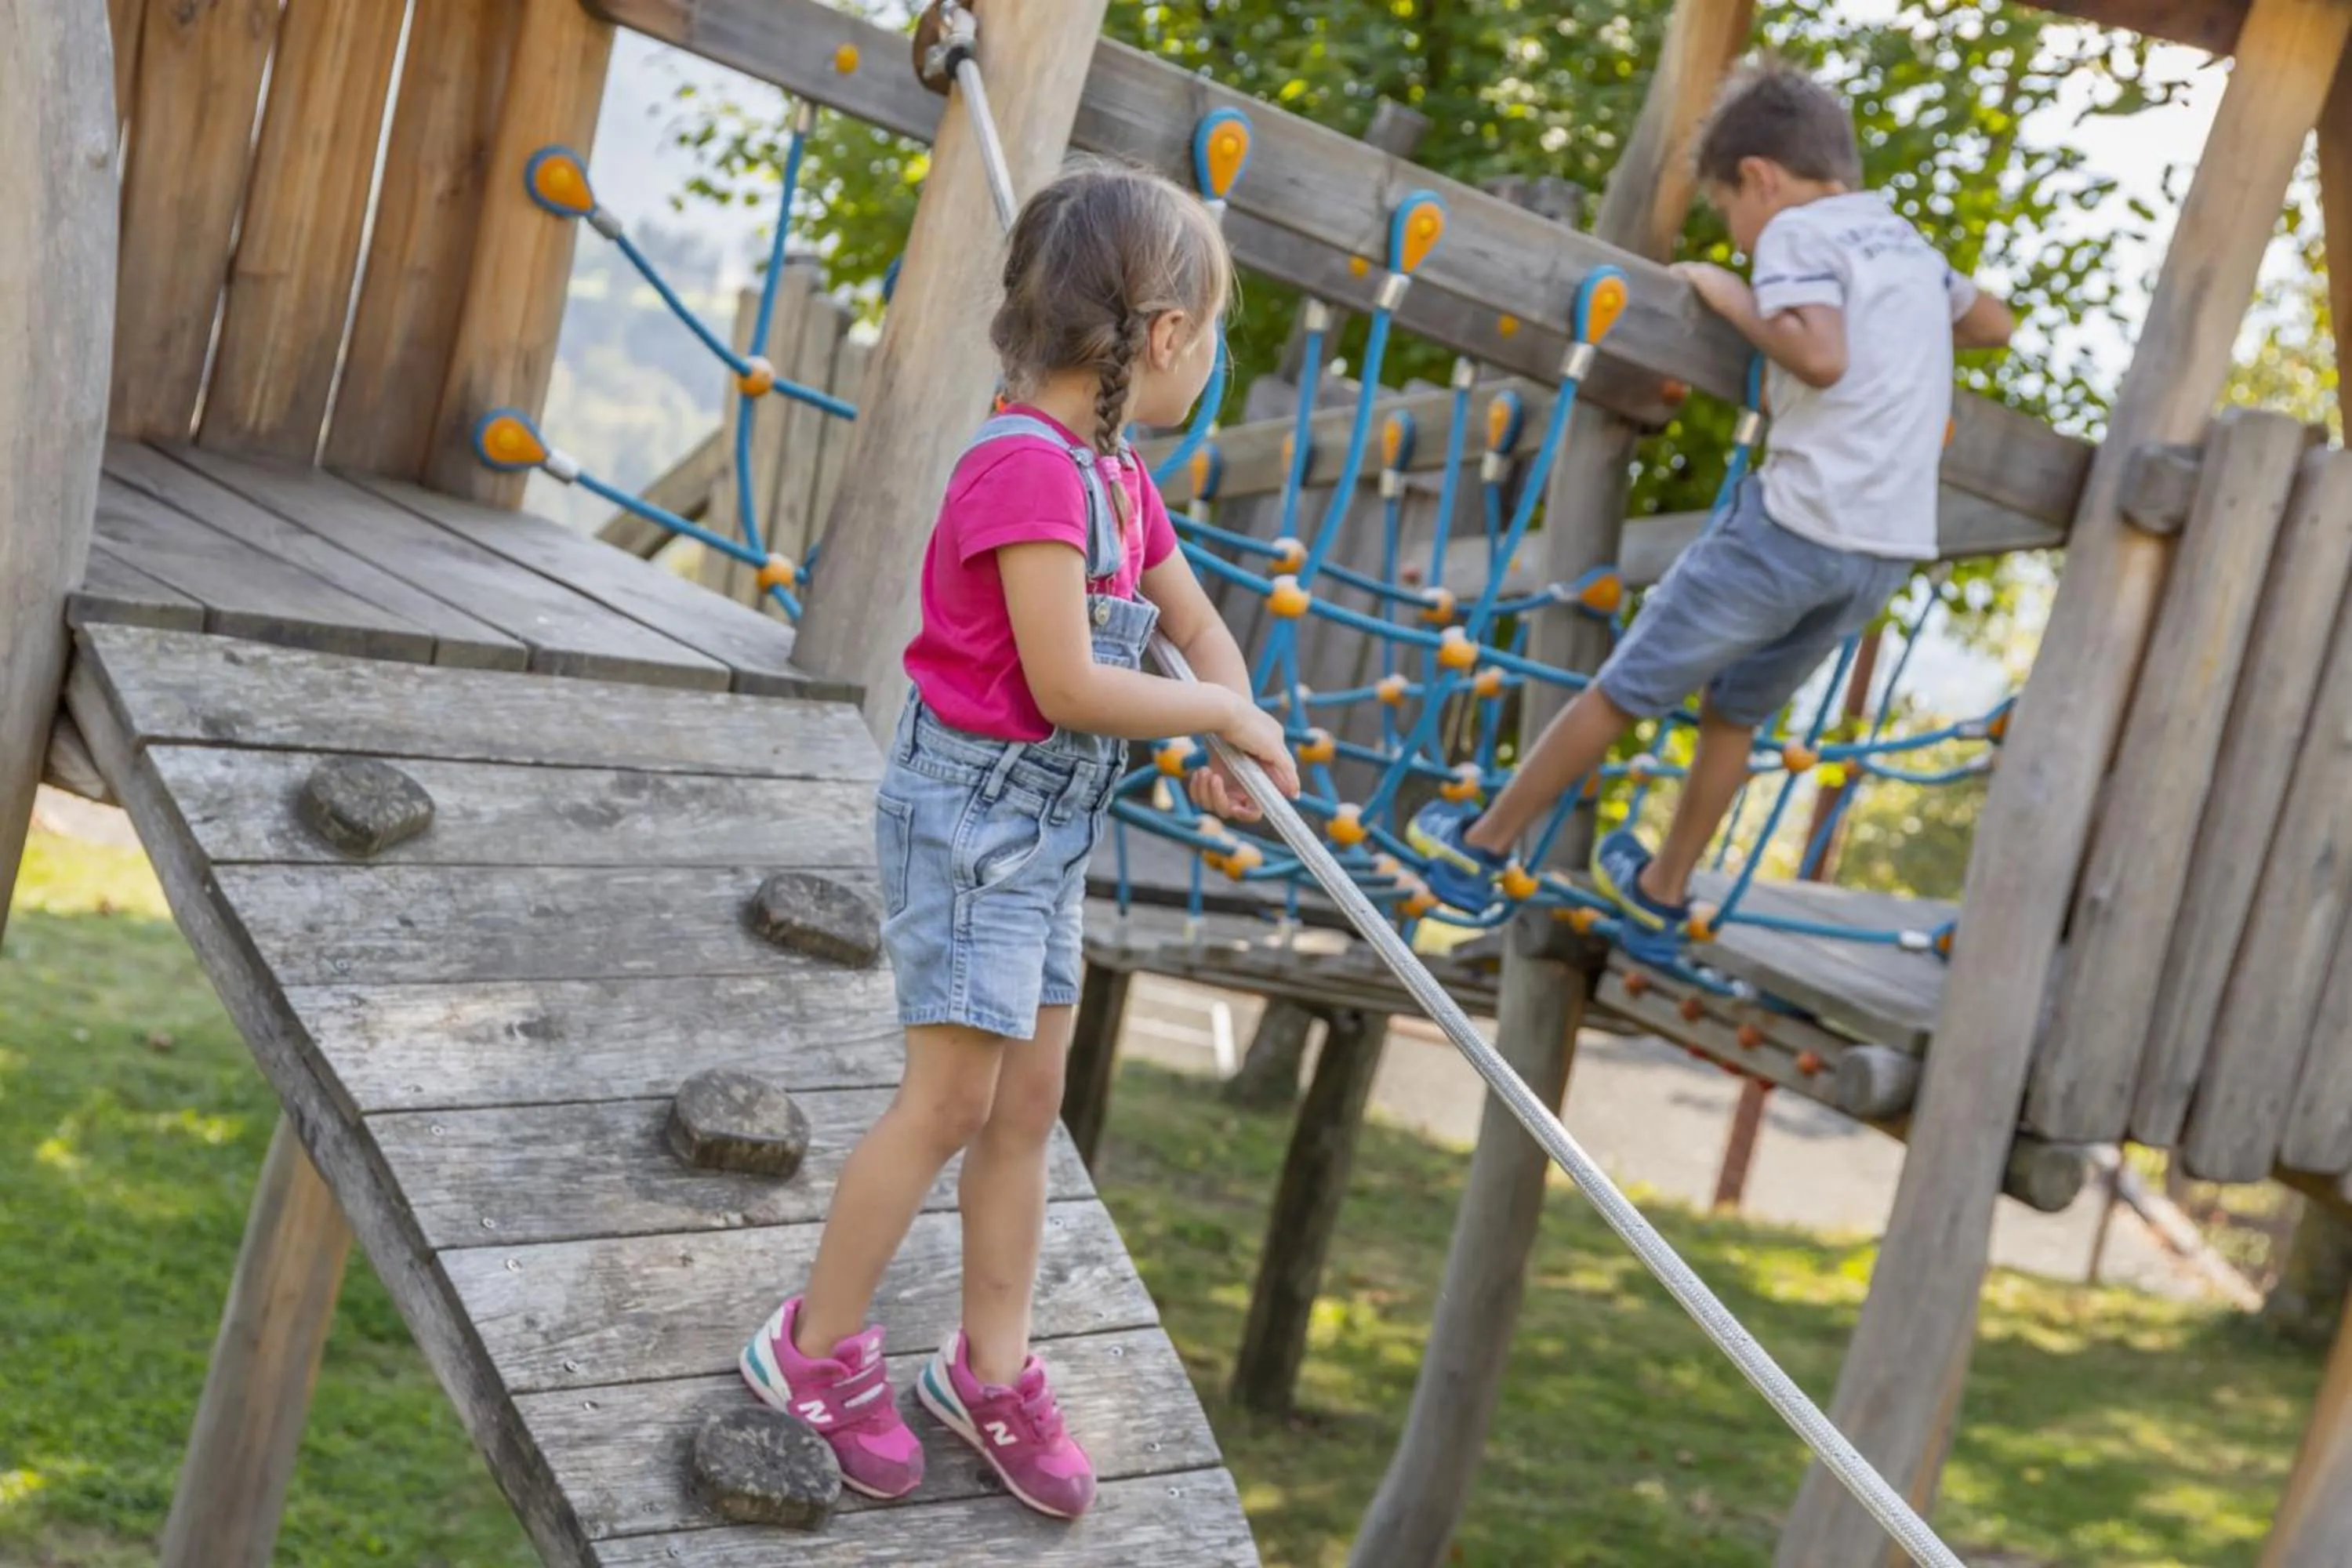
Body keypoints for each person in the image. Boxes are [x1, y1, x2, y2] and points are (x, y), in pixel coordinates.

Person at [737, 161, 1299, 1519]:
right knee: (949, 1102)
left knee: (1027, 1106)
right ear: (1162, 338)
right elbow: (1067, 685)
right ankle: (809, 1352)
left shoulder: (1116, 479)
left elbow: (1194, 623)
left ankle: (987, 1374)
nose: (1207, 360)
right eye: (1210, 333)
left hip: (1045, 836)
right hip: (971, 822)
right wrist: (1207, 707)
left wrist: (1237, 724)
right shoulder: (1020, 472)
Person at [1409, 60, 2013, 960]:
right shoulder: (1901, 244)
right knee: (1737, 712)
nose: (1733, 232)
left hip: (1796, 525)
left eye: (1728, 210)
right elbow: (1994, 324)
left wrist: (1728, 291)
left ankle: (1481, 845)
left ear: (1761, 178)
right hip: (1882, 552)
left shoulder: (1797, 236)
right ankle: (1662, 889)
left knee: (1628, 684)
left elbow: (1821, 354)